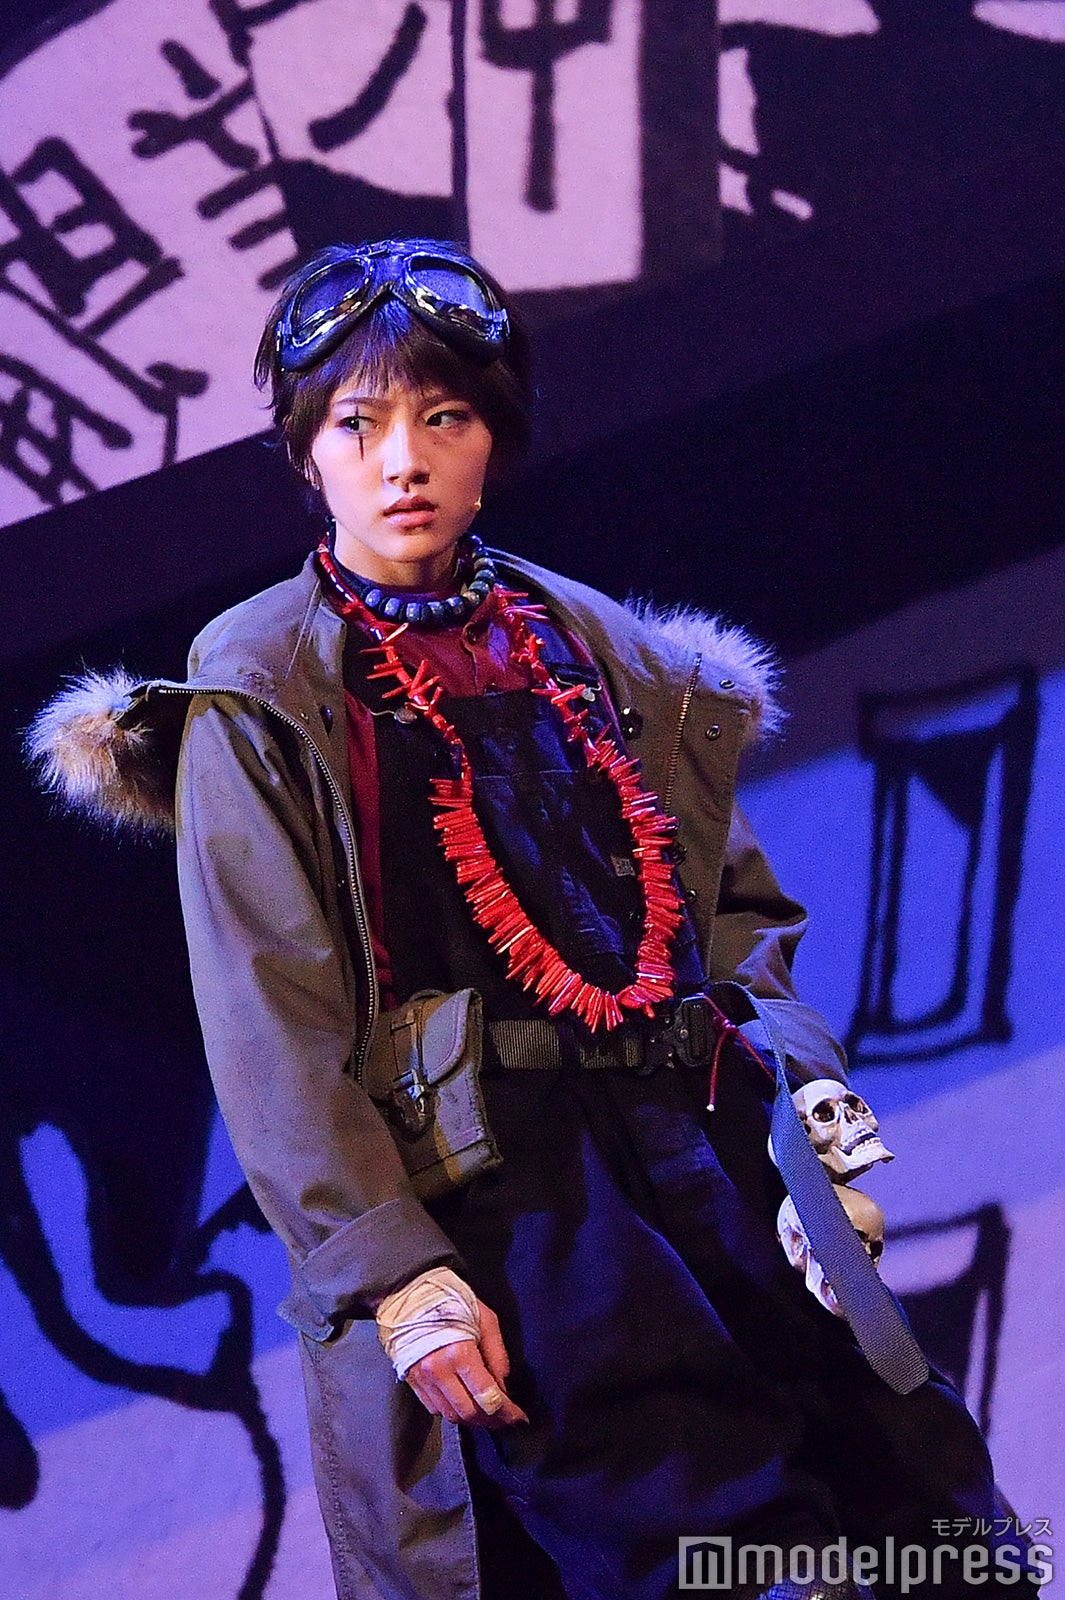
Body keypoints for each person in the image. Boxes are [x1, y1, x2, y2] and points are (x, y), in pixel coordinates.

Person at [30, 239, 1036, 1600]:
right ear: (305, 453)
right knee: (712, 1553)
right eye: (358, 424)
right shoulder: (260, 680)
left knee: (928, 1527)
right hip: (516, 1203)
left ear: (491, 437)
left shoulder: (590, 638)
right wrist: (392, 1269)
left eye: (443, 416)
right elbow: (275, 1016)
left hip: (707, 1146)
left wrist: (809, 1118)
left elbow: (732, 915)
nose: (403, 460)